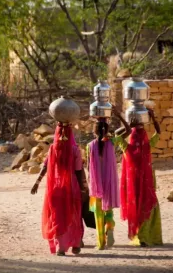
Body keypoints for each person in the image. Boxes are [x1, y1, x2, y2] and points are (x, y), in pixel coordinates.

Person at [31, 122, 84, 256]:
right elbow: (78, 171)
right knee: (73, 215)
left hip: (56, 188)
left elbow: (45, 166)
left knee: (58, 216)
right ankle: (75, 245)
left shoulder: (53, 148)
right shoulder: (75, 150)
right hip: (72, 187)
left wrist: (37, 182)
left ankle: (61, 247)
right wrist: (83, 187)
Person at [114, 108, 163, 247]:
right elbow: (158, 132)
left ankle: (139, 236)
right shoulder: (147, 146)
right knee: (149, 207)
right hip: (147, 184)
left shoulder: (126, 148)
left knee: (136, 209)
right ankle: (146, 236)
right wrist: (152, 117)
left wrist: (125, 121)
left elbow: (119, 136)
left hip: (132, 187)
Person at [86, 109, 129, 250]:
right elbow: (128, 131)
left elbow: (88, 166)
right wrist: (119, 115)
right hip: (110, 184)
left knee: (98, 215)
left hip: (96, 185)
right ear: (107, 131)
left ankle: (100, 243)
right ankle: (110, 228)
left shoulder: (89, 146)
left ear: (94, 132)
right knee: (108, 211)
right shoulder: (112, 142)